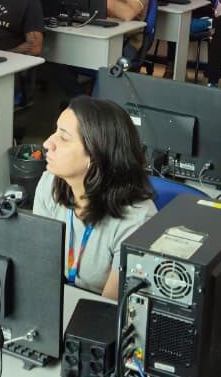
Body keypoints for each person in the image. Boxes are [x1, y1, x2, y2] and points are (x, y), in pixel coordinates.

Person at [32, 98, 157, 299]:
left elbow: (108, 309)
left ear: (95, 154)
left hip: (96, 312)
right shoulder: (50, 184)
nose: (47, 143)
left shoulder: (137, 221)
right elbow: (37, 267)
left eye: (63, 137)